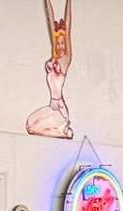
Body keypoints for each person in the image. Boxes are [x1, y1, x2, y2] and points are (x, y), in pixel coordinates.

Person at [25, 0, 73, 139]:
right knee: (29, 125)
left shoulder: (65, 60)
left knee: (36, 127)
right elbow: (50, 20)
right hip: (52, 107)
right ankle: (61, 131)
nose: (60, 46)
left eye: (62, 43)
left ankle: (64, 131)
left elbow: (68, 25)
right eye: (58, 43)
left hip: (61, 112)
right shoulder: (54, 59)